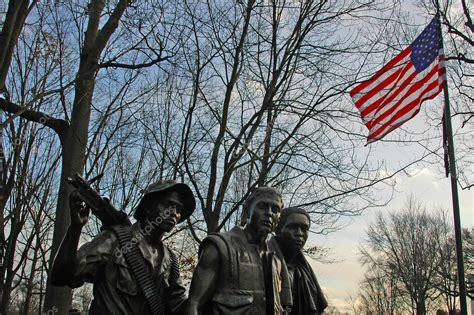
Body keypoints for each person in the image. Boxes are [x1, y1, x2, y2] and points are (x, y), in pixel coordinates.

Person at [50, 180, 196, 315]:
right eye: (168, 205)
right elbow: (62, 276)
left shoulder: (171, 261)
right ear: (148, 207)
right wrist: (75, 228)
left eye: (179, 209)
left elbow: (181, 309)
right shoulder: (114, 240)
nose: (174, 213)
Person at [186, 187, 292, 315]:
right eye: (262, 206)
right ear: (247, 210)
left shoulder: (275, 262)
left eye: (275, 210)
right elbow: (194, 304)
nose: (269, 213)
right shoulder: (220, 247)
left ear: (278, 219)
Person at [267, 207, 327, 315]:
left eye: (304, 229)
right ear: (278, 229)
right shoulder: (263, 260)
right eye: (292, 227)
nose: (299, 233)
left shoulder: (305, 271)